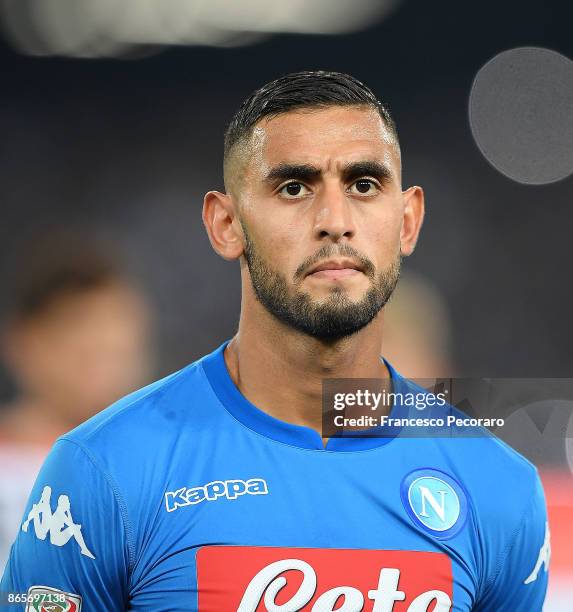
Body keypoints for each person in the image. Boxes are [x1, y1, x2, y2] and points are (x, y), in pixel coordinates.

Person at [1, 72, 548, 611]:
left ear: (407, 221)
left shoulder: (499, 489)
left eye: (364, 185)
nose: (335, 220)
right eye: (294, 188)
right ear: (225, 224)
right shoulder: (105, 472)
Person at [0, 234, 152, 570]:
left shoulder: (166, 467)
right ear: (24, 342)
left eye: (113, 333)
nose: (104, 352)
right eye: (79, 334)